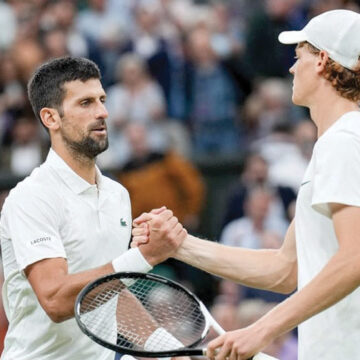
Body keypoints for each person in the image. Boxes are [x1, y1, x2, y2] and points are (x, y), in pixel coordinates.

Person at [132, 9, 360, 360]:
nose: (290, 68)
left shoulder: (345, 140)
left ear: (322, 62)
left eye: (299, 56)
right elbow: (285, 269)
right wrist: (179, 245)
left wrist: (261, 330)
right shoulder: (341, 141)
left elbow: (356, 256)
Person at [0, 56, 186, 360]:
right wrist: (144, 256)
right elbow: (57, 301)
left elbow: (110, 292)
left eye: (102, 100)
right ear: (51, 118)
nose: (103, 112)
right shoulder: (31, 198)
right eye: (85, 103)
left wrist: (169, 350)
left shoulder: (117, 195)